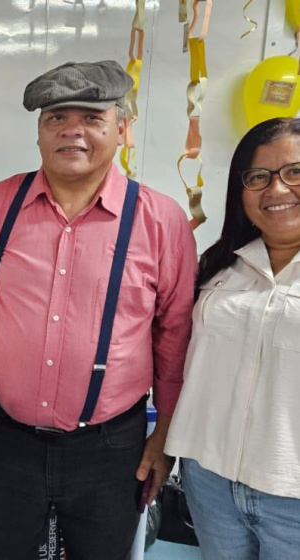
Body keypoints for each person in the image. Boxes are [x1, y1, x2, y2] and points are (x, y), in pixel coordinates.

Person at [0, 60, 199, 560]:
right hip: (5, 439)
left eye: (92, 118)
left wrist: (166, 434)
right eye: (56, 118)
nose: (72, 131)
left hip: (113, 449)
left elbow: (175, 337)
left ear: (123, 129)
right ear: (39, 132)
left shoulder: (161, 220)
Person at [165, 117, 300, 559]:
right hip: (210, 479)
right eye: (258, 177)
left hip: (292, 491)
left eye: (294, 172)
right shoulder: (220, 267)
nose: (276, 190)